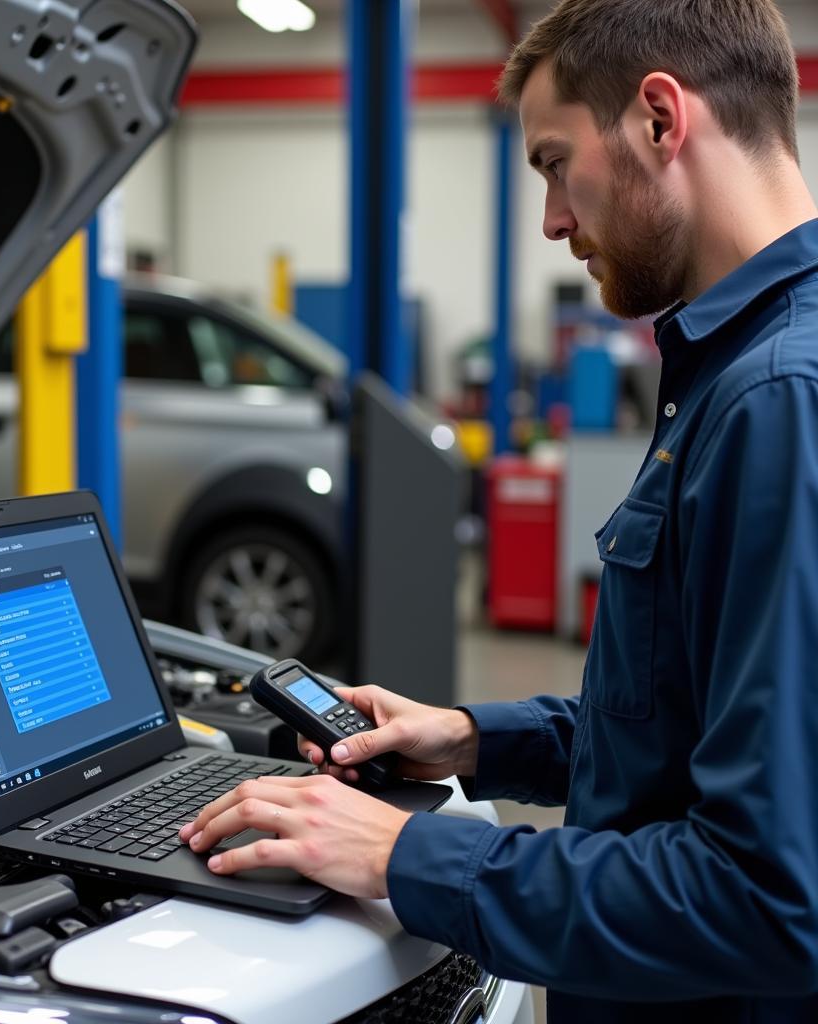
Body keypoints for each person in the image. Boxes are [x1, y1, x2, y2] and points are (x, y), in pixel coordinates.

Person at [180, 0, 818, 1018]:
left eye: (556, 163)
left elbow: (767, 898)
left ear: (661, 119)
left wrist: (409, 853)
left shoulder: (776, 399)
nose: (553, 219)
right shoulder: (736, 373)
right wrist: (476, 736)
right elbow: (697, 730)